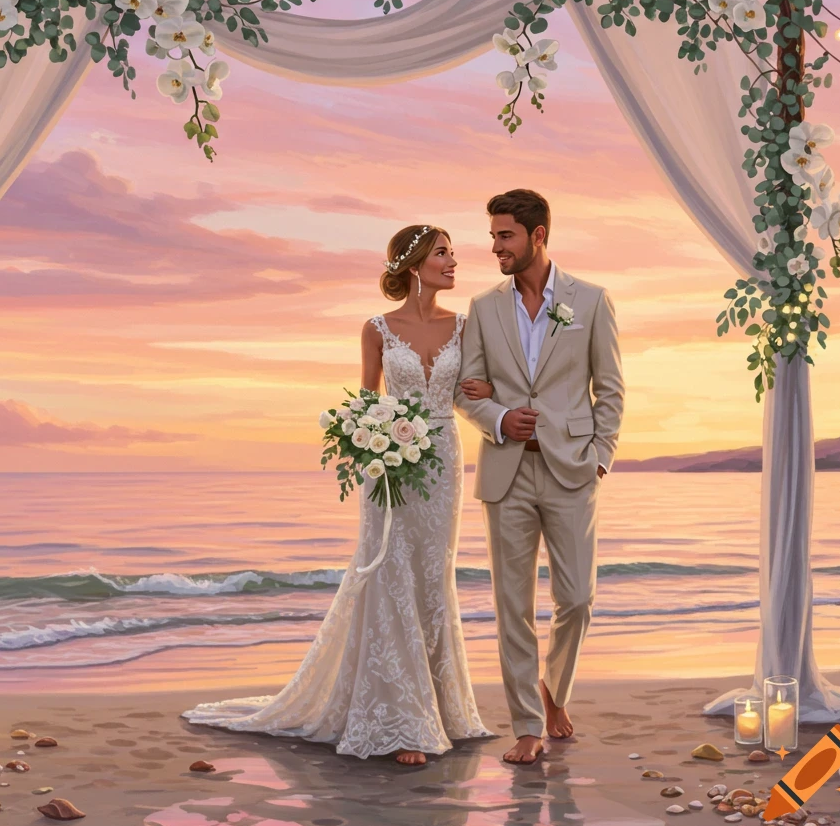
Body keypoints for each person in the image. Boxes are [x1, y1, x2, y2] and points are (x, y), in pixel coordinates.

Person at [183, 225, 496, 765]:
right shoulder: (376, 328)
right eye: (443, 253)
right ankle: (399, 721)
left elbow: (477, 389)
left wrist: (488, 391)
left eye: (453, 254)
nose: (453, 263)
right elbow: (366, 399)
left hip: (443, 457)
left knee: (430, 573)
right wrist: (369, 447)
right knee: (387, 569)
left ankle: (440, 709)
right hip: (388, 464)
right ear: (415, 262)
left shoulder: (467, 327)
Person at [454, 189, 625, 765]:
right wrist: (501, 416)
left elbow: (611, 388)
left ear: (538, 235)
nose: (495, 246)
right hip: (505, 471)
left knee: (577, 598)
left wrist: (601, 453)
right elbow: (465, 388)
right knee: (513, 606)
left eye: (505, 235)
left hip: (573, 468)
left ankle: (555, 689)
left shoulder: (591, 301)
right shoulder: (482, 308)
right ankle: (528, 722)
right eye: (494, 235)